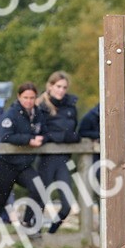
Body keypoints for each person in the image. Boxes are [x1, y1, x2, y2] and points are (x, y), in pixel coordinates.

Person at [0, 82, 45, 231]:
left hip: (24, 165)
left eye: (32, 97)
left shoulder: (38, 114)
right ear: (19, 97)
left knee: (39, 188)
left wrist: (43, 138)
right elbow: (6, 137)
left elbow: (44, 131)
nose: (29, 101)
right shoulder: (11, 114)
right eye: (25, 97)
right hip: (5, 165)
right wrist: (28, 140)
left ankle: (27, 222)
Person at [37, 70, 80, 234]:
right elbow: (42, 132)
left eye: (64, 87)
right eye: (58, 86)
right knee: (40, 198)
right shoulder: (41, 106)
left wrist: (67, 137)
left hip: (64, 159)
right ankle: (34, 233)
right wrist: (61, 136)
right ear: (50, 86)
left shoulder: (71, 107)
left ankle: (52, 232)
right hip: (46, 158)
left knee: (67, 204)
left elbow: (75, 131)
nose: (61, 90)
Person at [77, 101, 125, 179]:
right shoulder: (94, 114)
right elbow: (82, 132)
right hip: (102, 158)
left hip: (123, 159)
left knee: (122, 186)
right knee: (103, 185)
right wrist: (100, 136)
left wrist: (107, 137)